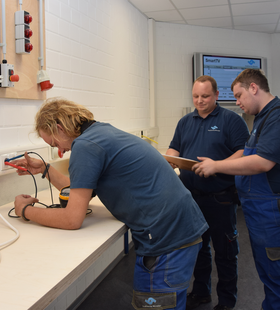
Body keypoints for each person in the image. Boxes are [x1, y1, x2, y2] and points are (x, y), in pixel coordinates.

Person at [12, 98, 208, 310]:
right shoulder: (101, 133)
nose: (60, 150)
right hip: (181, 227)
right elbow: (78, 187)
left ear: (59, 128)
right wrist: (45, 169)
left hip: (167, 239)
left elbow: (71, 219)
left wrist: (26, 211)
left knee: (154, 305)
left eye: (54, 143)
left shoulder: (85, 145)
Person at [193, 69, 280, 310]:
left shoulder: (276, 116)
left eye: (239, 95)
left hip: (270, 213)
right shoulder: (262, 117)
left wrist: (216, 166)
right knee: (268, 273)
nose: (237, 102)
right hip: (258, 212)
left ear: (254, 88)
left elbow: (263, 162)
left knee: (275, 275)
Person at [166, 76, 249, 310]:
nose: (199, 101)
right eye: (195, 96)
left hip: (220, 198)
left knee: (225, 252)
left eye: (205, 96)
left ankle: (226, 301)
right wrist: (169, 158)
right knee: (196, 249)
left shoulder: (231, 120)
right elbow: (175, 147)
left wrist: (217, 165)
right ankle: (201, 292)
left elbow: (244, 153)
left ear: (216, 96)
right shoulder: (185, 122)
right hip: (190, 198)